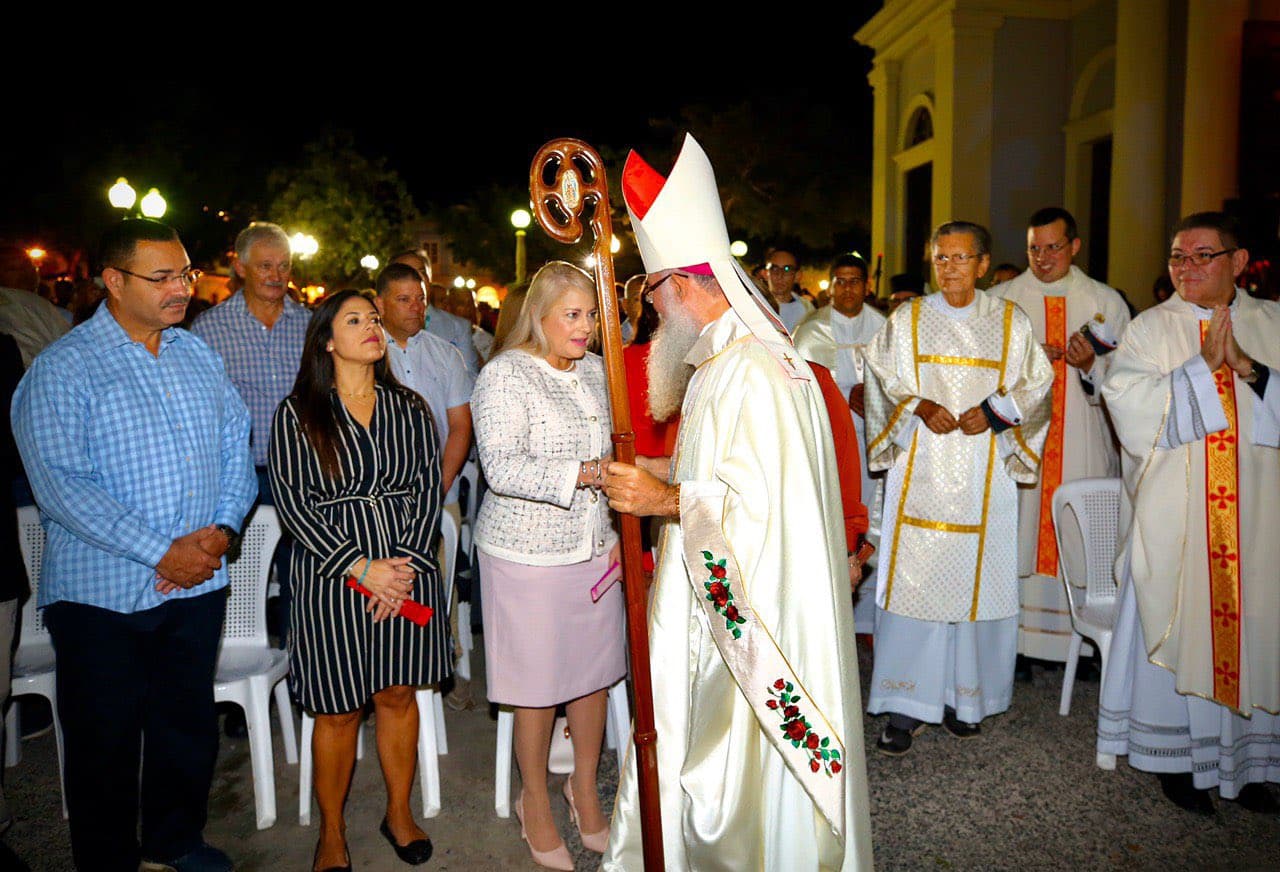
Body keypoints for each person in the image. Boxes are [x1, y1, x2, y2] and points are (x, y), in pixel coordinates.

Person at [601, 133, 872, 870]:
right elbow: (730, 474)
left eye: (653, 292)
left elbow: (759, 513)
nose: (651, 310)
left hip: (756, 621)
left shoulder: (750, 367)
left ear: (684, 284)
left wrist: (660, 498)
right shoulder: (736, 357)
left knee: (741, 769)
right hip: (728, 593)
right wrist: (655, 473)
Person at [11, 218, 256, 872]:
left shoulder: (195, 354)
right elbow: (63, 487)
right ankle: (111, 861)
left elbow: (237, 446)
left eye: (185, 273)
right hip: (102, 597)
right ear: (113, 282)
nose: (181, 288)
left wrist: (222, 531)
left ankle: (175, 842)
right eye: (162, 277)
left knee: (186, 729)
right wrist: (161, 551)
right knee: (105, 745)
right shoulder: (63, 370)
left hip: (198, 583)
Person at [1098, 211, 1280, 815]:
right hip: (1177, 520)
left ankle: (1250, 766)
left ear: (1237, 260)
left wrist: (1249, 370)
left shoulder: (1274, 321)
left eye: (1203, 255)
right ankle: (1176, 763)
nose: (1186, 267)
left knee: (1255, 626)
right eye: (1178, 256)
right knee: (1179, 618)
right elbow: (1128, 406)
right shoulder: (1150, 329)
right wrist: (1202, 366)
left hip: (1259, 522)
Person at [268, 289, 448, 870]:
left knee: (398, 693)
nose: (372, 326)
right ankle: (332, 831)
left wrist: (403, 570)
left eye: (374, 318)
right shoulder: (298, 413)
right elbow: (294, 505)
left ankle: (399, 812)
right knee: (338, 709)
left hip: (404, 570)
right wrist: (361, 567)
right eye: (356, 320)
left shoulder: (410, 408)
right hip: (331, 577)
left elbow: (426, 492)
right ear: (327, 340)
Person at [862, 220, 1053, 756]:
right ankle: (906, 705)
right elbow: (877, 374)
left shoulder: (1009, 321)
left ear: (985, 264)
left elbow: (1038, 384)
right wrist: (919, 405)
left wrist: (993, 414)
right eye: (940, 258)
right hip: (919, 469)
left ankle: (962, 698)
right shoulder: (909, 318)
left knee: (977, 582)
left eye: (961, 258)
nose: (949, 268)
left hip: (983, 474)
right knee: (913, 585)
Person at [470, 260, 623, 870]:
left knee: (593, 675)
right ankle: (535, 799)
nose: (585, 327)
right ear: (540, 315)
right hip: (525, 555)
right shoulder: (505, 376)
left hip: (592, 546)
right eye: (573, 315)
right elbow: (501, 468)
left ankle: (582, 787)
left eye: (590, 315)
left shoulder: (594, 373)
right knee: (534, 688)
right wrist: (582, 474)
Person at [991, 207, 1131, 676]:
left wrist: (1091, 366)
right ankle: (1016, 642)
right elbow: (982, 374)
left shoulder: (1105, 302)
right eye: (1035, 248)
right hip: (1022, 441)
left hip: (1084, 439)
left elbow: (1130, 382)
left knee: (1080, 534)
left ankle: (1084, 640)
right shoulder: (1003, 300)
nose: (1044, 258)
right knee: (1019, 532)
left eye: (1054, 247)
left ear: (1074, 246)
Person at [373, 263, 476, 709]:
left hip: (437, 494)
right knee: (382, 587)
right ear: (379, 303)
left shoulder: (445, 353)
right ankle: (382, 677)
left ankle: (437, 670)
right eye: (404, 299)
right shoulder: (366, 354)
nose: (417, 307)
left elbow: (459, 426)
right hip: (378, 503)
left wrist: (439, 484)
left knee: (438, 587)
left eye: (420, 297)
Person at [794, 253, 887, 634]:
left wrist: (876, 398)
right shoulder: (811, 330)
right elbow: (800, 392)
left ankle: (870, 619)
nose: (848, 288)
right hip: (834, 443)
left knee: (876, 515)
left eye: (855, 280)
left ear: (867, 285)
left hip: (878, 439)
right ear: (831, 286)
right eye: (841, 281)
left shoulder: (886, 327)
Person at [388, 250, 481, 376]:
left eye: (421, 272)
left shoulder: (458, 327)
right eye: (406, 272)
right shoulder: (379, 327)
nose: (416, 278)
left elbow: (469, 378)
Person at [762, 247, 814, 331]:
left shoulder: (807, 310)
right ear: (765, 274)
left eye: (787, 269)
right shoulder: (753, 305)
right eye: (774, 269)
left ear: (797, 276)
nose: (780, 275)